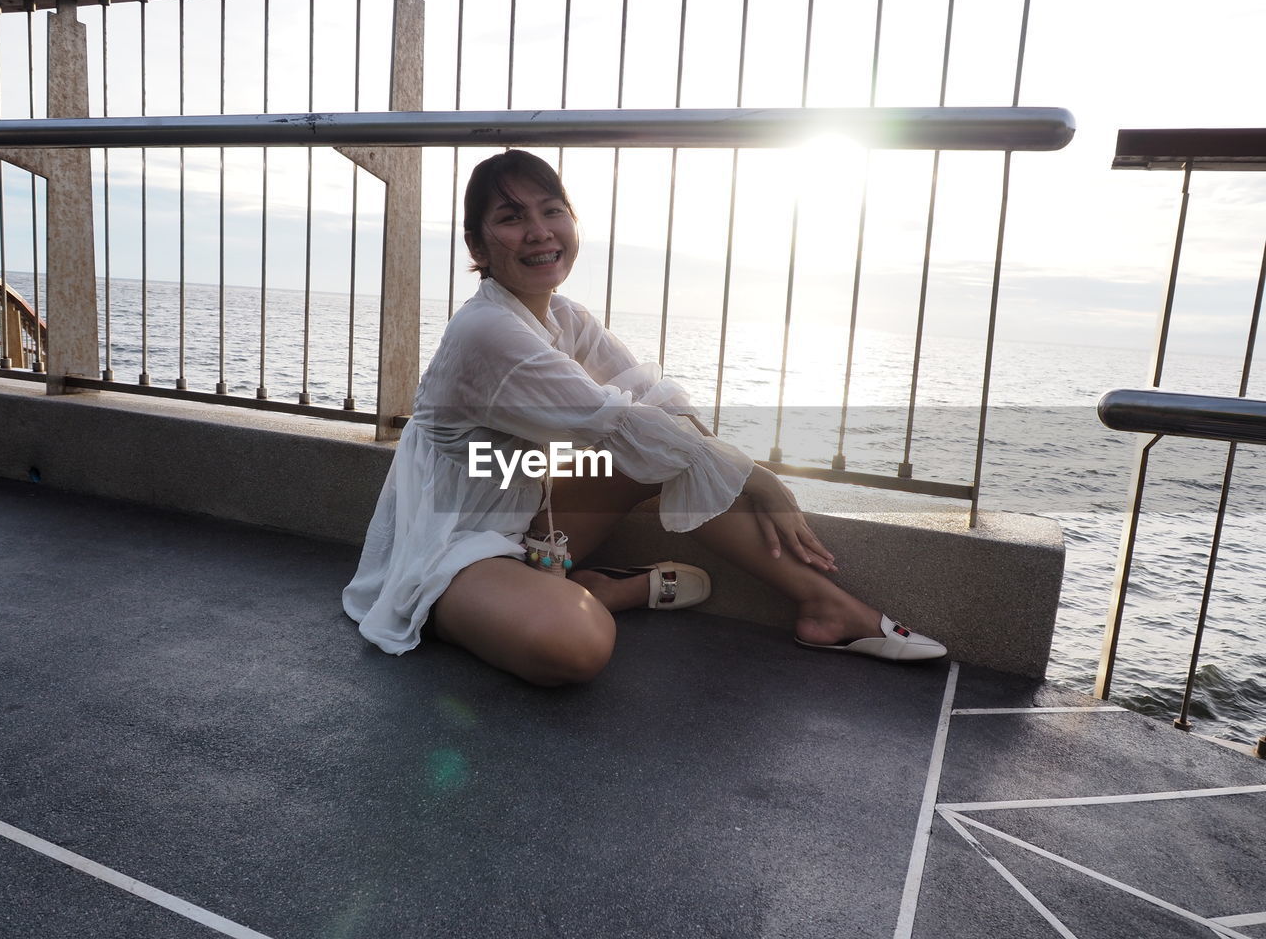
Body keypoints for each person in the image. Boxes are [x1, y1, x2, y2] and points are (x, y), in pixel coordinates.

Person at [343, 150, 945, 686]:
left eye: (551, 210)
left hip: (524, 510)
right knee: (576, 646)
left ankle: (825, 607)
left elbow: (651, 402)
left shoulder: (565, 317)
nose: (538, 232)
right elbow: (617, 424)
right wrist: (757, 477)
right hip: (452, 543)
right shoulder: (488, 331)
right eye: (510, 219)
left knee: (673, 454)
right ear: (477, 248)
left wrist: (738, 467)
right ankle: (600, 591)